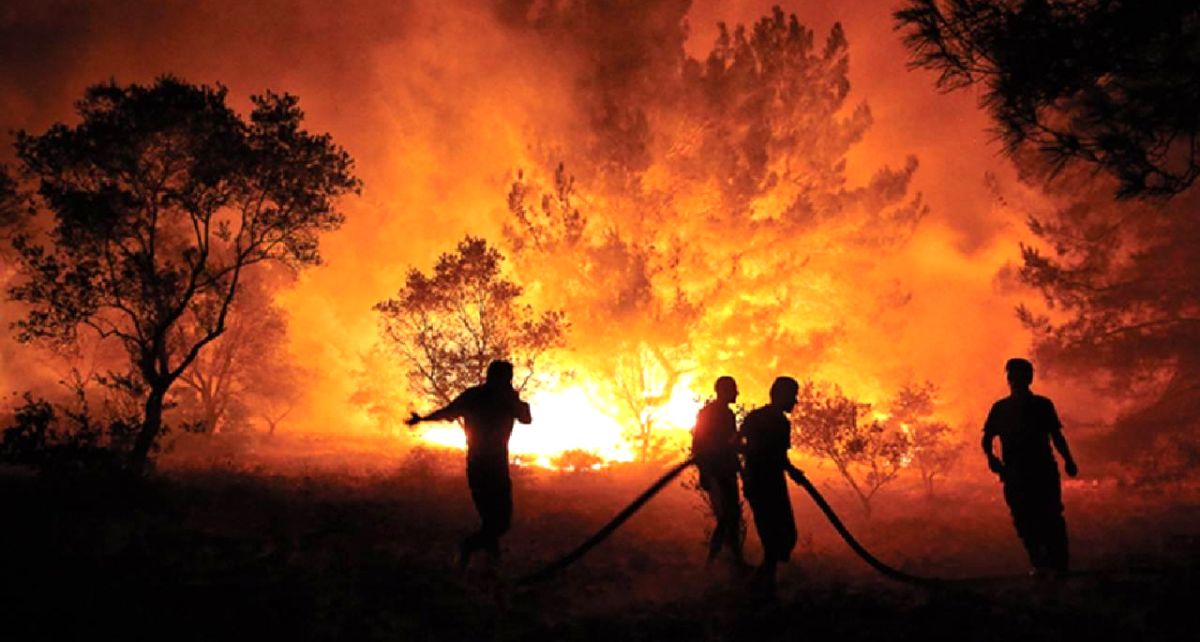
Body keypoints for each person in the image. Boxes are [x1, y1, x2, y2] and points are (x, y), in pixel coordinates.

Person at [408, 360, 532, 568]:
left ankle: (490, 564)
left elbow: (526, 418)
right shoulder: (493, 398)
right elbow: (449, 411)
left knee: (494, 521)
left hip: (489, 466)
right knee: (499, 522)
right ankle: (468, 548)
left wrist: (423, 419)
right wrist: (423, 419)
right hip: (485, 467)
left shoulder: (482, 397)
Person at [982, 358, 1078, 578]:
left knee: (1045, 516)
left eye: (1016, 375)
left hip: (1034, 471)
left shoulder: (1039, 405)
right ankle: (1044, 564)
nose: (1014, 380)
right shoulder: (1007, 407)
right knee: (1029, 518)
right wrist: (991, 458)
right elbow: (987, 439)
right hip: (1021, 472)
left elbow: (1056, 436)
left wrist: (1068, 460)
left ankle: (1056, 565)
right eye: (1013, 376)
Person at [740, 376, 804, 596]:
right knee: (779, 535)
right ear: (782, 396)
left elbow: (737, 442)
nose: (795, 402)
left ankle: (763, 583)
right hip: (769, 484)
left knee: (775, 535)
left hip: (757, 482)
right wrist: (792, 472)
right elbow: (777, 456)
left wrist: (746, 471)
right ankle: (763, 586)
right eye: (793, 396)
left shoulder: (755, 417)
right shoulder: (780, 423)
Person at [691, 376, 746, 567]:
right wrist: (706, 473)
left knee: (732, 517)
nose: (737, 393)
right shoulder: (709, 414)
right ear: (723, 391)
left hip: (726, 471)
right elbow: (698, 445)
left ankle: (734, 561)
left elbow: (729, 445)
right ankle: (713, 562)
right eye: (733, 390)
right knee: (726, 518)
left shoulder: (727, 414)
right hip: (717, 473)